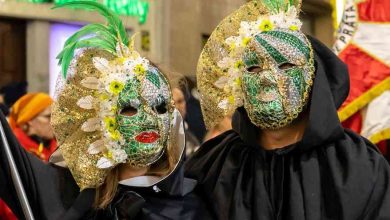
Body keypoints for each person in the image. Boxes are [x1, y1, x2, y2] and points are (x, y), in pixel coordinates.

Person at [0, 1, 206, 219]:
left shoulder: (189, 203)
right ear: (100, 119)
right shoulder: (61, 192)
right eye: (129, 109)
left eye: (160, 107)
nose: (150, 120)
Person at [185, 0, 390, 219]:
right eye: (254, 67)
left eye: (286, 66)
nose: (267, 78)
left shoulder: (359, 166)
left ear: (312, 79)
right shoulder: (212, 165)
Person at [8, 93, 56, 161]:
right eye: (48, 116)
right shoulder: (14, 150)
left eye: (55, 116)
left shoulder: (58, 146)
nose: (55, 122)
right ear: (29, 120)